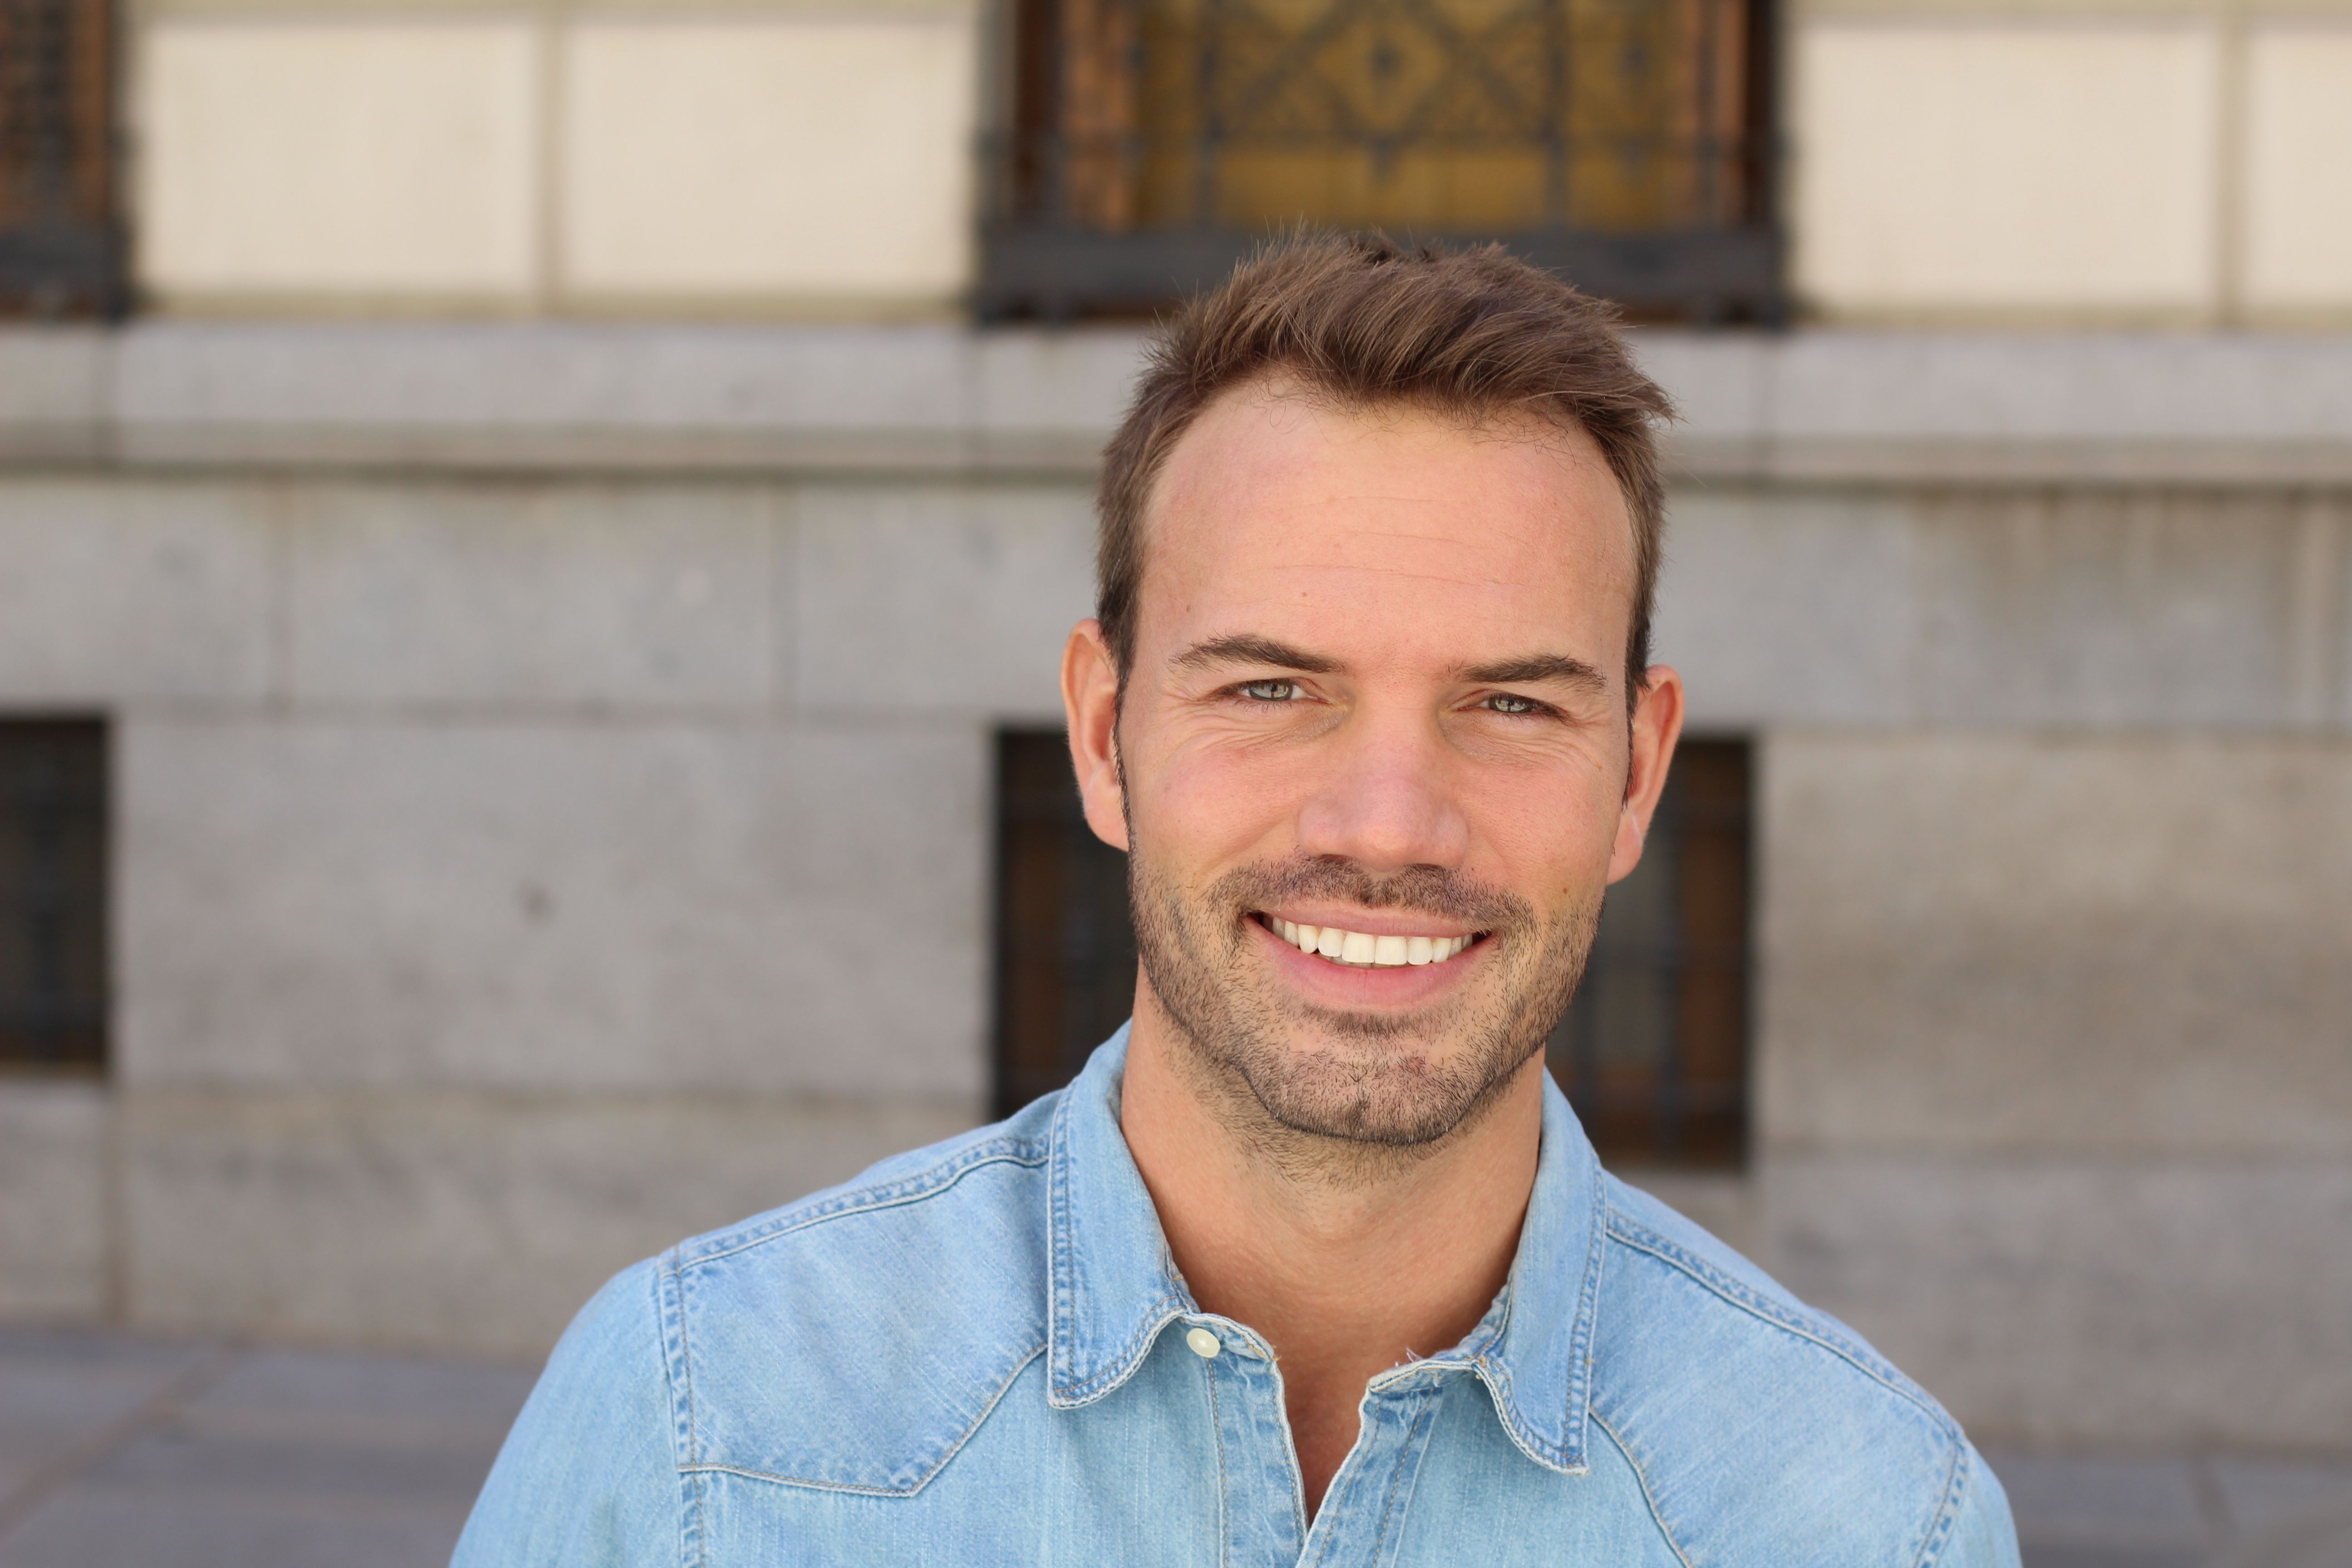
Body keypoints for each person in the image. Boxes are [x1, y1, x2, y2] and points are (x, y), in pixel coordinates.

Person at [454, 234, 2022, 1568]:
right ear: (1102, 734)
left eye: (1511, 704)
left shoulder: (1877, 1523)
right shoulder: (703, 1434)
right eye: (1272, 688)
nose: (1387, 823)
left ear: (1638, 771)